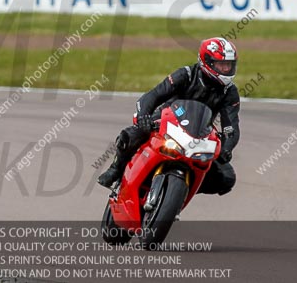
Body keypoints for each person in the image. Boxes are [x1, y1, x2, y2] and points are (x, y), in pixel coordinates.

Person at [97, 37, 240, 196]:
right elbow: (153, 95)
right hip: (166, 120)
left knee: (226, 178)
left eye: (229, 65)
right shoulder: (186, 74)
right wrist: (143, 115)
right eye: (222, 65)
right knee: (131, 135)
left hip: (199, 134)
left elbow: (231, 127)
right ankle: (116, 169)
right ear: (207, 62)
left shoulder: (230, 92)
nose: (226, 69)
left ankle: (181, 192)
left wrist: (227, 148)